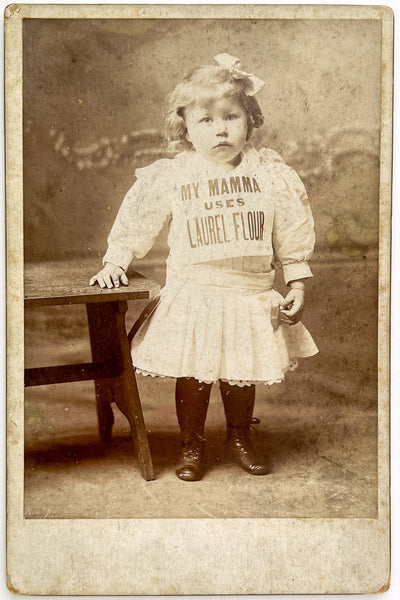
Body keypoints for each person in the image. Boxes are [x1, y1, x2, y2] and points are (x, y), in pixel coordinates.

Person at [90, 53, 318, 482]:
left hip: (248, 290)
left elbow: (292, 230)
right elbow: (139, 218)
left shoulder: (269, 173)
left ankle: (239, 437)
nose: (221, 129)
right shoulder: (175, 175)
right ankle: (191, 443)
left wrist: (298, 283)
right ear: (186, 128)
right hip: (195, 290)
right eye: (206, 121)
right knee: (195, 373)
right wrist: (116, 259)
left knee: (240, 371)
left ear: (249, 120)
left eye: (231, 117)